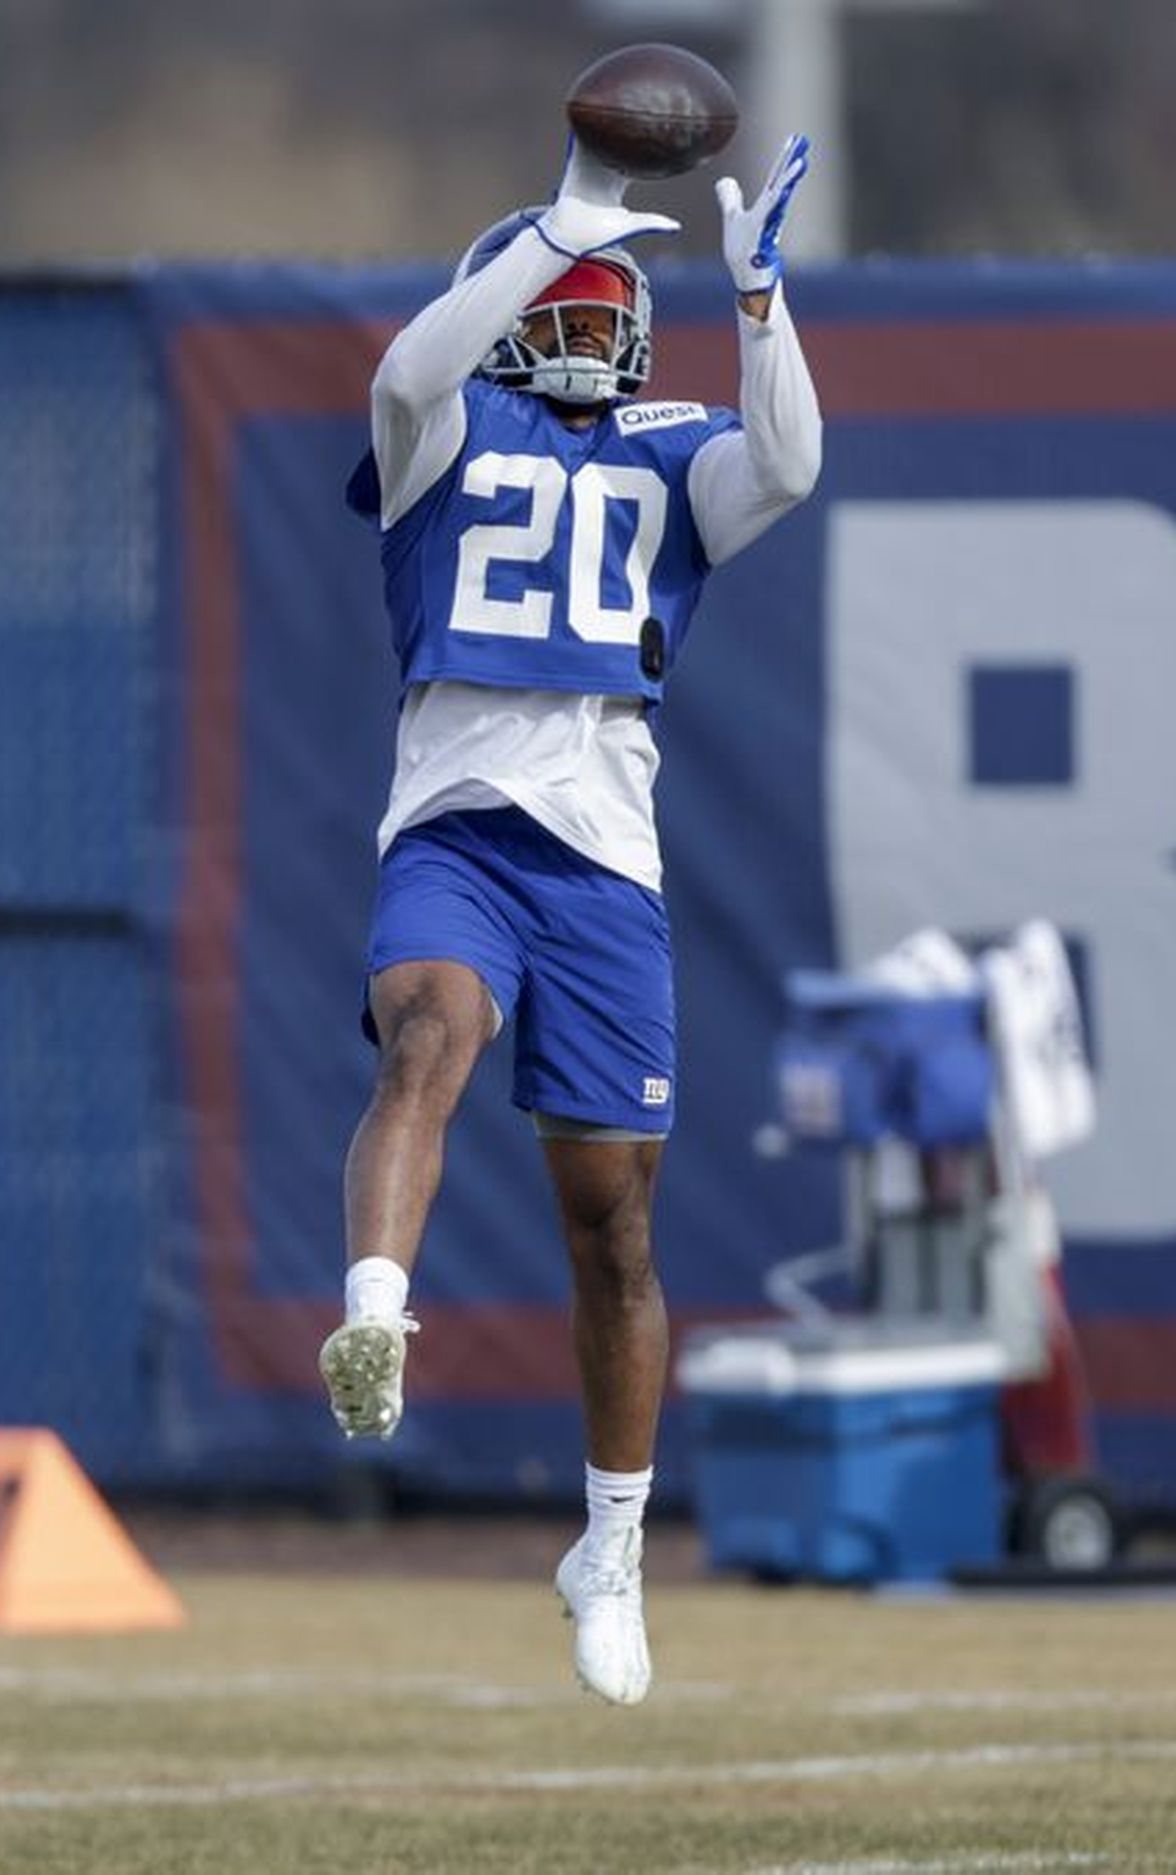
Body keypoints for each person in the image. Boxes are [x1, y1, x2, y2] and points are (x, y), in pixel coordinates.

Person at [324, 129, 822, 1706]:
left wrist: (757, 307)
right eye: (579, 296)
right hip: (460, 831)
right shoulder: (446, 429)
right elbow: (408, 373)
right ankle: (378, 1321)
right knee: (427, 1036)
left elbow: (791, 463)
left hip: (606, 863)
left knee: (613, 1226)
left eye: (620, 302)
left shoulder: (673, 456)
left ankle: (608, 1546)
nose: (606, 322)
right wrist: (558, 227)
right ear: (519, 295)